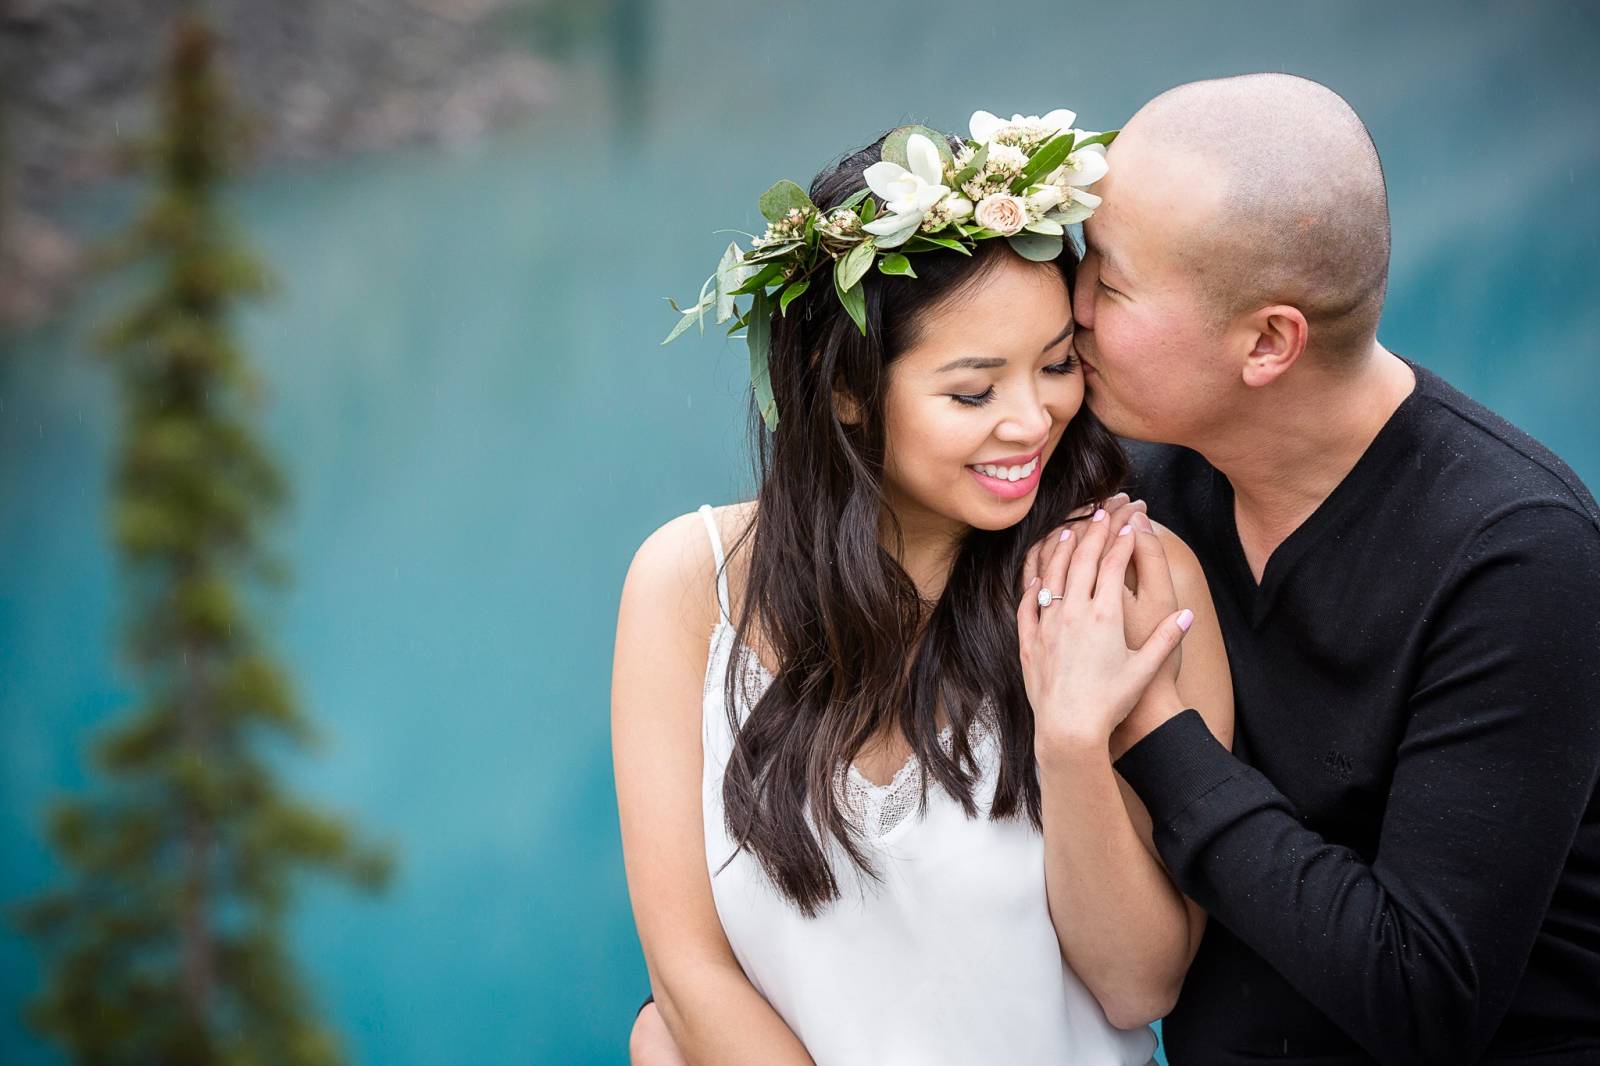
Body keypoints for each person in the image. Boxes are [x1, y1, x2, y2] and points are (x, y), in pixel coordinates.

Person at [612, 112, 1233, 1065]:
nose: (1033, 419)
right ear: (848, 390)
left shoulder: (1134, 578)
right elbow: (689, 976)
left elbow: (1140, 982)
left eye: (1059, 364)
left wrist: (1070, 743)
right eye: (974, 392)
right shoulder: (690, 584)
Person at [1067, 73, 1600, 1062]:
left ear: (1267, 341)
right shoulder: (1135, 483)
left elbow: (1421, 992)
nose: (1073, 308)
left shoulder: (1521, 553)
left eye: (1111, 282)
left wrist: (1153, 731)